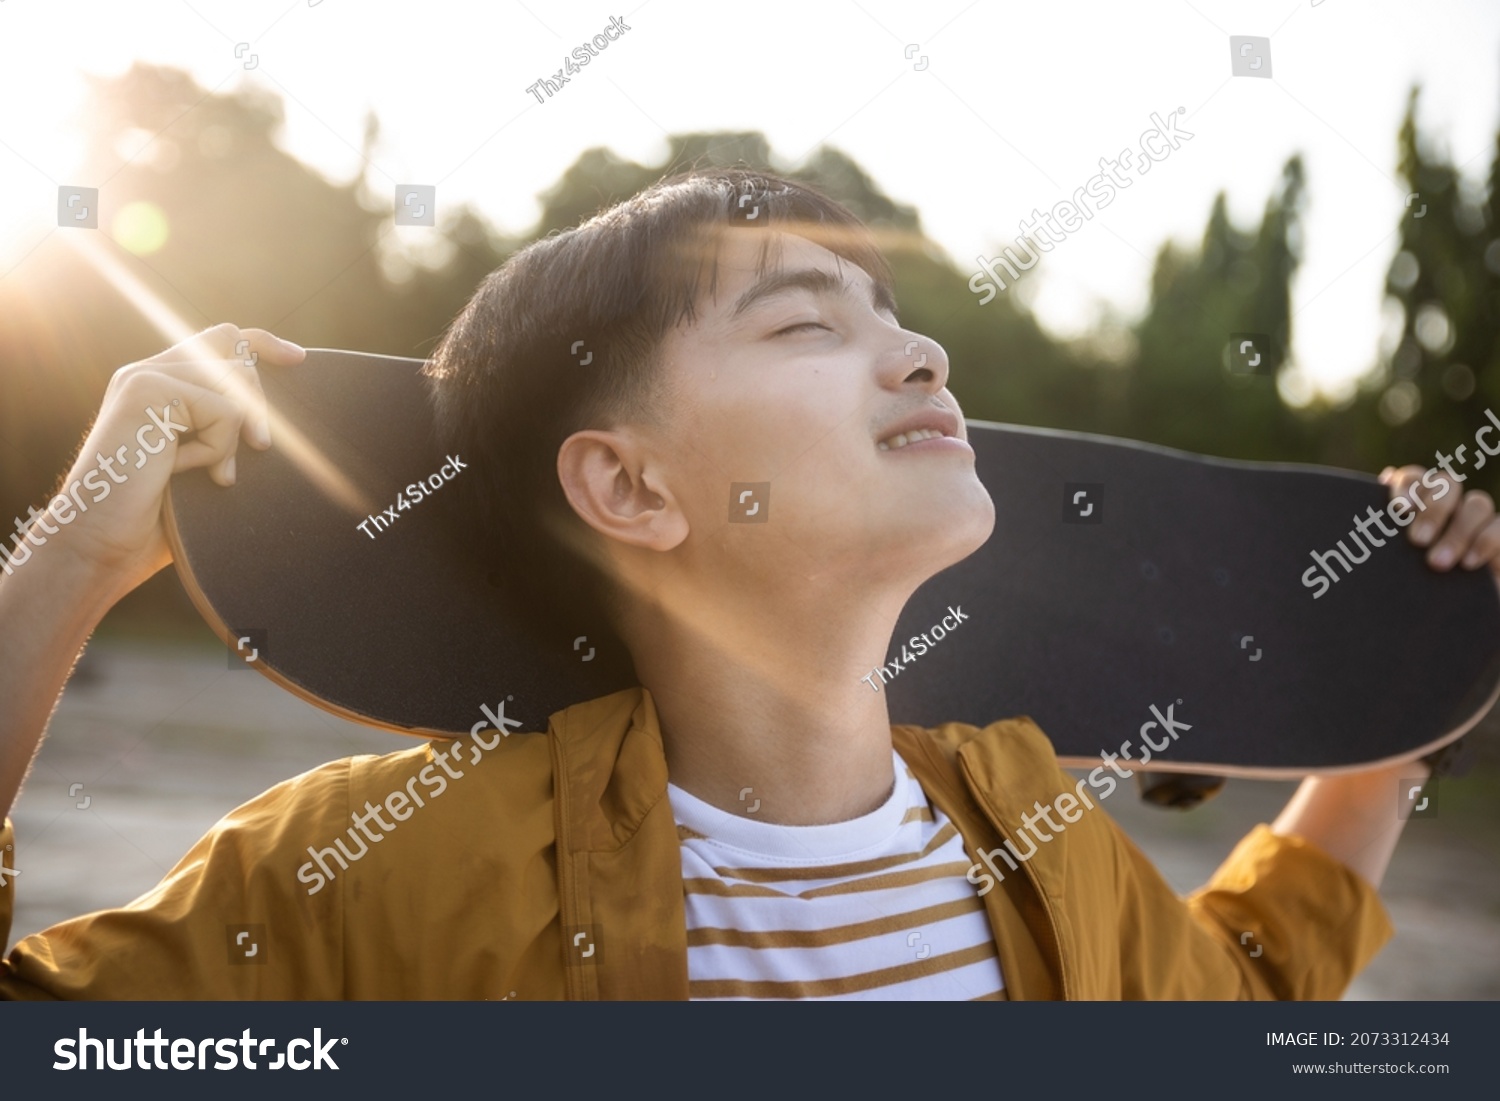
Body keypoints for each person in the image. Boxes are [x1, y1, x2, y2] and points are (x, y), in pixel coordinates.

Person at [0, 169, 1493, 999]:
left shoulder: (1043, 847)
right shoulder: (375, 876)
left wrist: (1397, 659)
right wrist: (69, 555)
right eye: (803, 326)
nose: (924, 356)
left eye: (897, 319)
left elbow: (1247, 1012)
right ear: (629, 485)